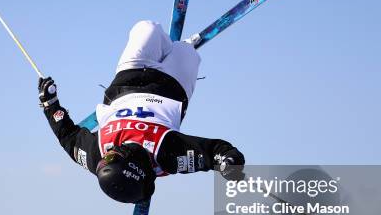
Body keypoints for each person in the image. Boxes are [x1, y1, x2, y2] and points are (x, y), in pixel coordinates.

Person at [39, 20, 245, 204]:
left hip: (129, 77)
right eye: (111, 158)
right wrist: (229, 162)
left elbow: (67, 137)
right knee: (187, 52)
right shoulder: (168, 154)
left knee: (147, 28)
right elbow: (213, 151)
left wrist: (51, 104)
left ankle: (166, 46)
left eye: (105, 159)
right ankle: (180, 48)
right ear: (132, 163)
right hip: (173, 84)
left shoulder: (95, 155)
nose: (107, 155)